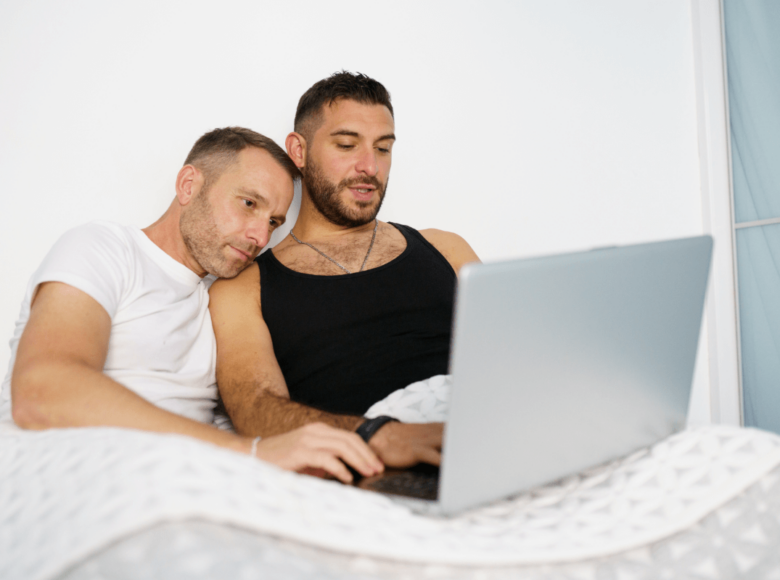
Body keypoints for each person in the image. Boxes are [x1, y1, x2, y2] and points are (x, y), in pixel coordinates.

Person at [1, 126, 383, 484]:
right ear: (188, 185)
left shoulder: (220, 301)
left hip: (182, 485)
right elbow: (41, 392)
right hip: (68, 476)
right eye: (249, 203)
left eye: (274, 222)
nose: (260, 235)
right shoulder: (104, 248)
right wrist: (250, 454)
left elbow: (239, 415)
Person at [209, 72, 480, 468]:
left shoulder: (446, 248)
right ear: (298, 151)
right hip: (374, 464)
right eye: (347, 145)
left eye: (383, 149)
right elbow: (256, 410)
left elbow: (514, 360)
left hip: (480, 443)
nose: (369, 167)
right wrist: (377, 435)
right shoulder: (245, 286)